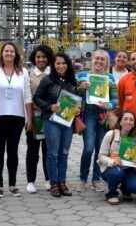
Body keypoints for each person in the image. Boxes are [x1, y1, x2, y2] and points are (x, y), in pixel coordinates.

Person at [0, 42, 34, 198]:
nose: (9, 54)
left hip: (17, 118)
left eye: (12, 51)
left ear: (16, 54)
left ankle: (12, 184)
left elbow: (27, 95)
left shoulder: (23, 72)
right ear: (2, 53)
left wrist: (29, 118)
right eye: (7, 51)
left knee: (13, 152)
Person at [34, 52, 81, 197]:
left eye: (63, 63)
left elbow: (77, 100)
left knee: (64, 153)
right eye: (58, 63)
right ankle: (54, 183)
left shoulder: (72, 81)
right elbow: (37, 98)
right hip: (52, 121)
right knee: (53, 153)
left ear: (68, 65)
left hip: (67, 122)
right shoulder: (48, 80)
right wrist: (49, 107)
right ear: (53, 65)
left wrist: (79, 109)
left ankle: (62, 182)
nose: (61, 66)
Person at [76, 50, 119, 192]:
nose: (99, 61)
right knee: (88, 148)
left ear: (107, 63)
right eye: (97, 59)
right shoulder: (82, 75)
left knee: (101, 149)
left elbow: (115, 100)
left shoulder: (110, 78)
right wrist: (81, 88)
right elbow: (74, 93)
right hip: (88, 113)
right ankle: (82, 178)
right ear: (92, 60)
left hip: (104, 115)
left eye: (103, 60)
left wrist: (110, 105)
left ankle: (96, 179)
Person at [25, 45, 54, 193]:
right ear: (34, 59)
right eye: (38, 57)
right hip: (35, 117)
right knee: (33, 150)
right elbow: (27, 98)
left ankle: (49, 179)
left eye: (44, 57)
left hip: (51, 117)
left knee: (48, 149)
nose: (41, 59)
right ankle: (31, 181)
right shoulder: (29, 75)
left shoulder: (53, 73)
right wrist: (29, 119)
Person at [97, 112, 136, 204]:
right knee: (117, 172)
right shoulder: (111, 134)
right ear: (120, 122)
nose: (128, 122)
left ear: (134, 124)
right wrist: (112, 161)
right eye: (125, 119)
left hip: (127, 169)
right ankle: (111, 194)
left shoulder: (135, 139)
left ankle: (125, 189)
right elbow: (101, 157)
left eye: (131, 120)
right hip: (111, 169)